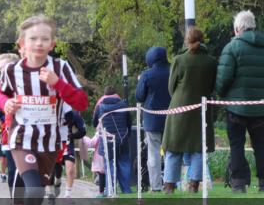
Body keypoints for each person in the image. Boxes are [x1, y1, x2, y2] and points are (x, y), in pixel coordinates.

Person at [0, 16, 88, 205]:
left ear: (52, 44)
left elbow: (81, 102)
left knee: (37, 195)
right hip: (22, 137)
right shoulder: (12, 70)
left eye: (44, 39)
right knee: (34, 189)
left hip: (49, 142)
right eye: (33, 39)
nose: (39, 43)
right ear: (22, 44)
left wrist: (58, 83)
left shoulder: (61, 68)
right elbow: (0, 93)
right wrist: (5, 103)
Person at [216, 11, 264, 193]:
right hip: (260, 107)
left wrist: (223, 94)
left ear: (238, 29)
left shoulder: (232, 48)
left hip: (236, 107)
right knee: (261, 144)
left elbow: (223, 78)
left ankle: (238, 183)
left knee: (237, 144)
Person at [162, 27, 217, 193]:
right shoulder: (211, 62)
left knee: (173, 147)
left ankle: (169, 185)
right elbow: (212, 87)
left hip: (179, 107)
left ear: (187, 41)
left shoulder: (179, 60)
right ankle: (194, 185)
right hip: (201, 109)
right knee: (199, 148)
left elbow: (171, 88)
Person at [135, 46, 170, 192]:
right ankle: (171, 184)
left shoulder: (147, 74)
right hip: (171, 118)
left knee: (154, 154)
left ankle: (156, 186)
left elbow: (139, 96)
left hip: (152, 120)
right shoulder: (173, 70)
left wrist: (140, 81)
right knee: (171, 153)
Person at [93, 86, 132, 195]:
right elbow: (129, 123)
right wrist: (127, 135)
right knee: (124, 164)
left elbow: (94, 123)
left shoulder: (100, 107)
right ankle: (126, 190)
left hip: (107, 141)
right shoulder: (124, 105)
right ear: (116, 94)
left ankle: (111, 190)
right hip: (123, 139)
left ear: (104, 95)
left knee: (109, 165)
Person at [0, 52, 21, 190]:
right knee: (13, 170)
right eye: (0, 69)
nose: (3, 72)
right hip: (10, 133)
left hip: (33, 133)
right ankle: (15, 203)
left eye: (6, 68)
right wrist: (3, 107)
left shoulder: (28, 82)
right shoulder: (1, 88)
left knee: (28, 172)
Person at [55, 108, 86, 199]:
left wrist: (71, 136)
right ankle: (57, 181)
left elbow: (82, 131)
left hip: (68, 145)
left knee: (70, 169)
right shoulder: (50, 110)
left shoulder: (74, 114)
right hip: (54, 145)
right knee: (57, 169)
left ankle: (68, 195)